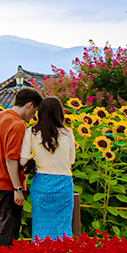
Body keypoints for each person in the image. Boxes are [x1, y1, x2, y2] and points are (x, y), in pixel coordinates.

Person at [0, 87, 40, 248]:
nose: (33, 117)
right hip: (8, 183)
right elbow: (11, 159)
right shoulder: (17, 125)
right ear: (29, 105)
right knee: (9, 232)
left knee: (2, 226)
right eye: (34, 111)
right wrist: (18, 189)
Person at [20, 96, 78, 240]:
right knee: (63, 227)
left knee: (41, 227)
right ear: (60, 113)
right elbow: (71, 160)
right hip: (64, 183)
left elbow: (22, 161)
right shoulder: (68, 133)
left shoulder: (31, 132)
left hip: (42, 183)